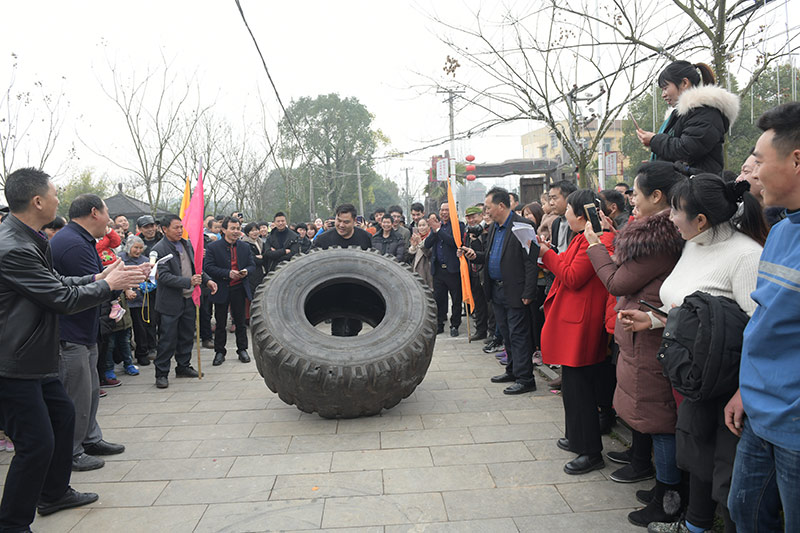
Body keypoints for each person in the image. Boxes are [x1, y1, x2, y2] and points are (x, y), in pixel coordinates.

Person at [0, 168, 146, 532]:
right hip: (13, 361)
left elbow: (56, 282)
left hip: (35, 356)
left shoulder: (30, 239)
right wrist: (107, 285)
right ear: (37, 201)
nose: (56, 199)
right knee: (35, 444)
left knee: (63, 417)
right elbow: (59, 298)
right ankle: (13, 523)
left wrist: (98, 279)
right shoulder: (13, 247)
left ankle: (53, 492)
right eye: (53, 193)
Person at [619, 175, 767, 533]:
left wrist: (743, 391)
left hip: (728, 386)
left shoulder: (746, 256)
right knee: (697, 457)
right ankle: (695, 524)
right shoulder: (693, 243)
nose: (669, 217)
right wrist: (653, 320)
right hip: (692, 377)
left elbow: (755, 330)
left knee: (726, 473)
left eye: (676, 211)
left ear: (700, 219)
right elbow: (690, 313)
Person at [586, 162, 687, 526]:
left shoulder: (658, 239)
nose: (633, 201)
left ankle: (670, 496)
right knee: (651, 414)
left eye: (638, 195)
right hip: (641, 332)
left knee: (659, 418)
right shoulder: (651, 233)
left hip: (650, 335)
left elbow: (616, 282)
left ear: (657, 197)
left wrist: (596, 245)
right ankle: (663, 487)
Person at [726, 103, 800, 533]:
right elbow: (766, 323)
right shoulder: (782, 231)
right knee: (746, 511)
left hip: (793, 424)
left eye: (758, 160)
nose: (747, 173)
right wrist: (745, 390)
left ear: (795, 159)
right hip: (758, 413)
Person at [537, 189, 616, 475]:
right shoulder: (582, 238)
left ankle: (590, 451)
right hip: (574, 320)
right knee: (571, 387)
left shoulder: (598, 240)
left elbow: (572, 276)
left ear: (580, 214)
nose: (564, 214)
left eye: (568, 209)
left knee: (581, 390)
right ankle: (577, 438)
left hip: (582, 323)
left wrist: (546, 255)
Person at [50, 194, 129, 471]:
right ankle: (71, 451)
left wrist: (117, 276)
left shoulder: (79, 240)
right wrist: (118, 282)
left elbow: (96, 280)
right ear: (95, 212)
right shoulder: (72, 244)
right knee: (76, 394)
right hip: (70, 332)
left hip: (84, 329)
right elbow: (92, 291)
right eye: (108, 214)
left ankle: (90, 438)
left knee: (90, 390)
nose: (109, 221)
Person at [462, 187, 538, 395]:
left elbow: (531, 262)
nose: (486, 212)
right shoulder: (495, 227)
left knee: (518, 335)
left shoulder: (524, 226)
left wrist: (528, 292)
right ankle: (512, 370)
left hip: (516, 291)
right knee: (506, 333)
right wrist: (474, 255)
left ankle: (525, 378)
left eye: (488, 207)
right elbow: (490, 255)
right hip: (496, 290)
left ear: (501, 206)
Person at [635, 61, 739, 175]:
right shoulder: (682, 115)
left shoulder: (706, 113)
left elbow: (686, 149)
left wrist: (654, 140)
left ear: (684, 83)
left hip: (696, 187)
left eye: (665, 88)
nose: (663, 95)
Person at [151, 214, 217, 389]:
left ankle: (183, 366)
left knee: (187, 335)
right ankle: (161, 373)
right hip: (170, 302)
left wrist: (207, 280)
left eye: (181, 227)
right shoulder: (160, 249)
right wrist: (188, 282)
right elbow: (163, 276)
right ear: (164, 229)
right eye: (176, 227)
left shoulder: (186, 244)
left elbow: (197, 268)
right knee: (167, 339)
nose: (180, 230)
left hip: (189, 298)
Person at [313, 204, 372, 336]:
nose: (341, 225)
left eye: (346, 222)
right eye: (338, 221)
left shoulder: (365, 238)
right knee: (338, 328)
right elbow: (309, 261)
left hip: (357, 288)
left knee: (355, 326)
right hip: (333, 289)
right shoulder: (323, 239)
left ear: (354, 221)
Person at [204, 216, 255, 366]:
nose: (235, 231)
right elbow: (208, 267)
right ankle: (220, 351)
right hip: (221, 288)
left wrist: (246, 271)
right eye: (232, 228)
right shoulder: (214, 247)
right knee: (220, 322)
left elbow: (252, 265)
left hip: (239, 288)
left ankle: (242, 349)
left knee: (240, 321)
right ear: (224, 230)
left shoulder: (244, 247)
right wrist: (227, 273)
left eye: (238, 228)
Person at [425, 202, 465, 336]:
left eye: (447, 210)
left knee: (456, 299)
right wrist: (435, 230)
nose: (444, 213)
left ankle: (455, 325)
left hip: (453, 269)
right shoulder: (437, 226)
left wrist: (438, 230)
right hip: (438, 270)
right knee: (439, 298)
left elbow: (454, 242)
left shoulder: (458, 225)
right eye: (442, 210)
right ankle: (440, 323)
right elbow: (427, 243)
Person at [121, 236, 155, 367]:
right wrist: (127, 290)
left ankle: (142, 354)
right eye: (135, 247)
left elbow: (151, 280)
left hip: (141, 300)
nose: (138, 251)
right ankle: (126, 357)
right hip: (125, 300)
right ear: (129, 247)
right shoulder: (121, 259)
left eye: (141, 248)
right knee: (126, 331)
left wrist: (144, 287)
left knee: (141, 329)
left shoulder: (145, 261)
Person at [463, 205, 490, 341]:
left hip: (485, 274)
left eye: (474, 217)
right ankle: (481, 330)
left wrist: (475, 242)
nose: (471, 220)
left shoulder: (486, 231)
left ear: (480, 216)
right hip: (472, 273)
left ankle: (491, 333)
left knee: (489, 305)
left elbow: (485, 254)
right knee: (478, 304)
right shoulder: (468, 232)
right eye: (468, 218)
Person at [242, 221, 266, 296]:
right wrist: (260, 257)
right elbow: (254, 259)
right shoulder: (245, 244)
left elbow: (267, 255)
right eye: (252, 231)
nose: (255, 232)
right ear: (247, 233)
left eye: (256, 230)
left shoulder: (261, 242)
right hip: (252, 275)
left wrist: (262, 257)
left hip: (263, 272)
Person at [408, 217, 433, 288]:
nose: (421, 228)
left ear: (428, 226)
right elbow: (409, 257)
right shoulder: (416, 237)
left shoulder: (431, 238)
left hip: (427, 271)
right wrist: (413, 246)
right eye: (419, 225)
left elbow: (429, 254)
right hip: (416, 271)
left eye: (423, 225)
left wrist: (420, 243)